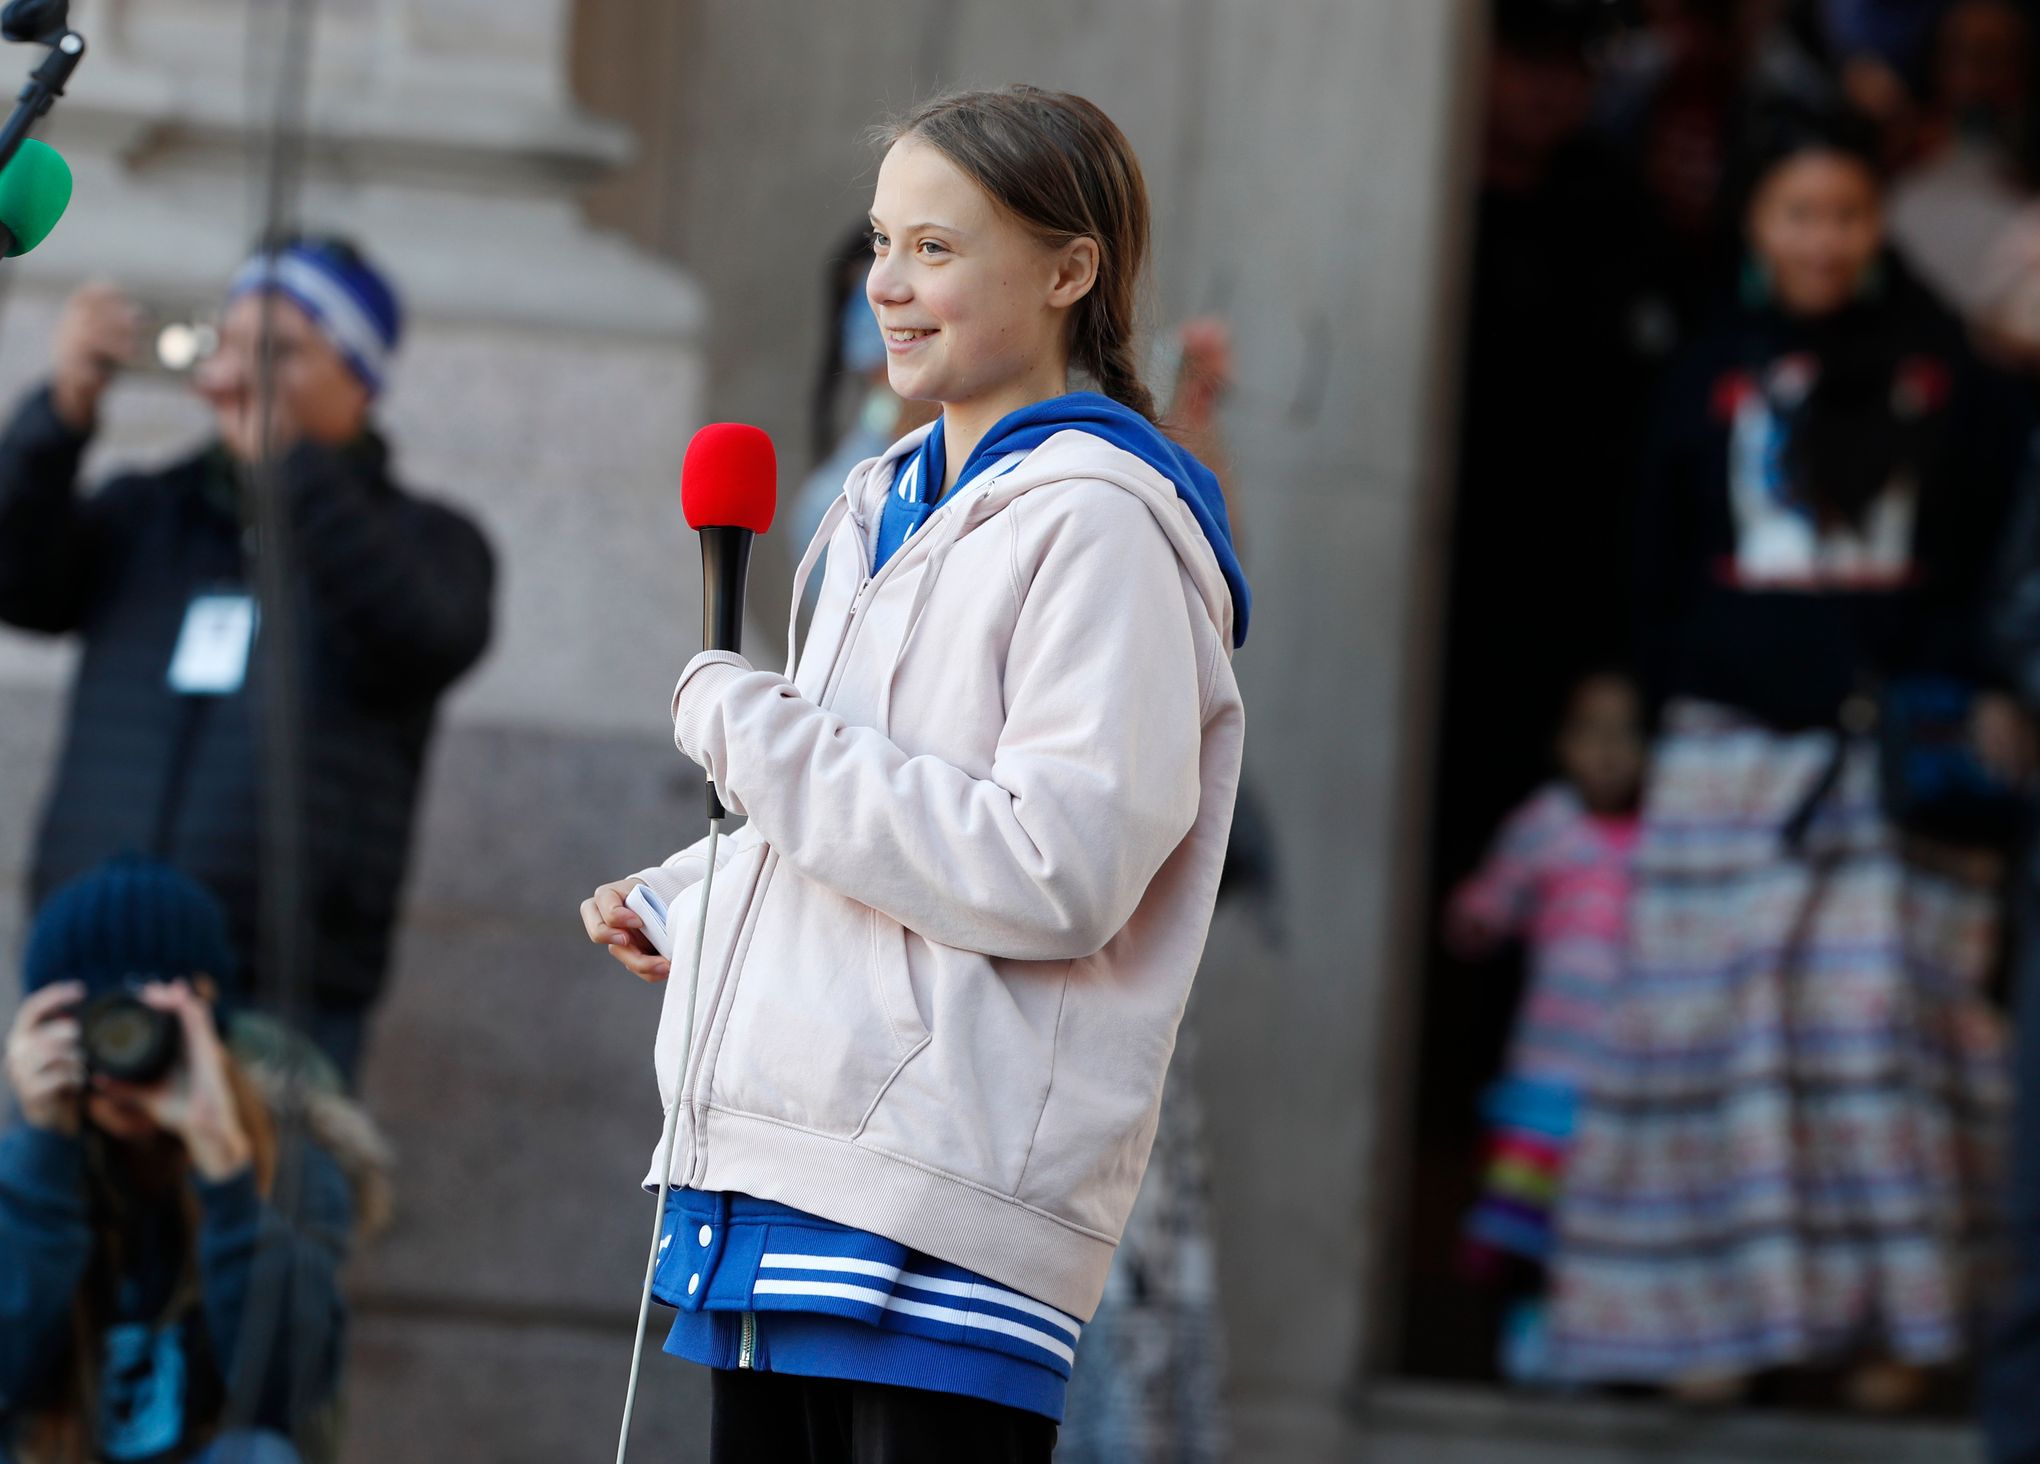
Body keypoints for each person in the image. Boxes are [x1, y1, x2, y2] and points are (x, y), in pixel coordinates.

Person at [580, 85, 1247, 1463]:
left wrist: (745, 728)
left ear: (1073, 271)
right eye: (882, 244)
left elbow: (1054, 872)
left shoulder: (1104, 526)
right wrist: (691, 894)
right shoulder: (874, 500)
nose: (888, 284)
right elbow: (873, 802)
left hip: (935, 1215)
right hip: (775, 1183)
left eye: (937, 249)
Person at [1549, 103, 2029, 1409]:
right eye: (1799, 214)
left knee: (1875, 1027)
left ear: (1878, 227)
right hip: (1723, 753)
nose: (1825, 240)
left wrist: (1984, 686)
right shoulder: (1706, 370)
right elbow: (1651, 561)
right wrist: (1636, 708)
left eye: (1848, 215)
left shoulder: (1951, 378)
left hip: (1888, 764)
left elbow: (1993, 557)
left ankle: (1906, 1335)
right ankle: (1714, 1328)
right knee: (1714, 1032)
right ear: (1759, 225)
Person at [0, 236, 496, 1086]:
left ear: (359, 377)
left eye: (280, 352)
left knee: (256, 1218)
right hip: (89, 963)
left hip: (280, 993)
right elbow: (18, 578)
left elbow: (420, 635)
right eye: (228, 344)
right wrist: (61, 413)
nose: (240, 372)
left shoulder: (431, 541)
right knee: (56, 1216)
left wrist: (292, 472)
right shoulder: (146, 512)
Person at [0, 855, 391, 1464]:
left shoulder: (292, 1170)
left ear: (206, 1022)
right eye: (97, 1023)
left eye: (147, 1024)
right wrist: (42, 1155)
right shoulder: (27, 1170)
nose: (121, 1061)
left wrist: (226, 1171)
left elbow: (287, 1392)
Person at [1446, 671, 1646, 1384]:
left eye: (1627, 734)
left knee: (1610, 1221)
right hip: (1547, 1069)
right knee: (1532, 1218)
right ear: (1563, 746)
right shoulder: (1547, 823)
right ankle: (1532, 1335)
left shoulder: (1662, 840)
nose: (1609, 751)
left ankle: (1600, 1349)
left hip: (1627, 1077)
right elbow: (1494, 898)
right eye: (1591, 732)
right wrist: (1476, 917)